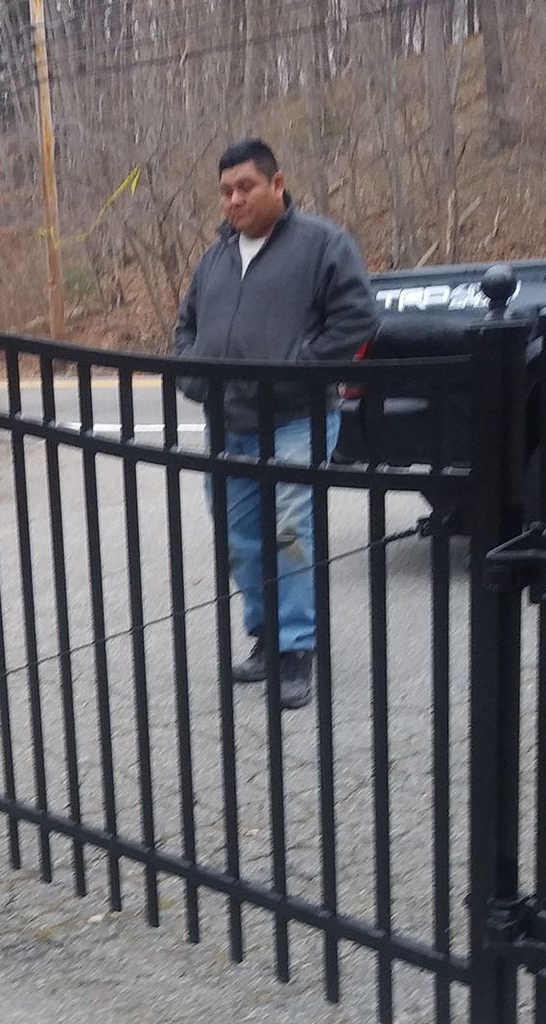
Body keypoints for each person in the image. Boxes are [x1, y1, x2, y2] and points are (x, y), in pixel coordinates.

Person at [172, 138, 378, 709]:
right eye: (225, 191)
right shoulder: (215, 257)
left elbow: (358, 316)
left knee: (289, 535)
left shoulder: (321, 244)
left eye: (246, 187)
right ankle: (266, 639)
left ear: (277, 184)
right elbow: (185, 327)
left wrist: (298, 371)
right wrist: (195, 377)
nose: (234, 200)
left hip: (295, 419)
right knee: (241, 539)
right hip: (229, 421)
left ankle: (296, 651)